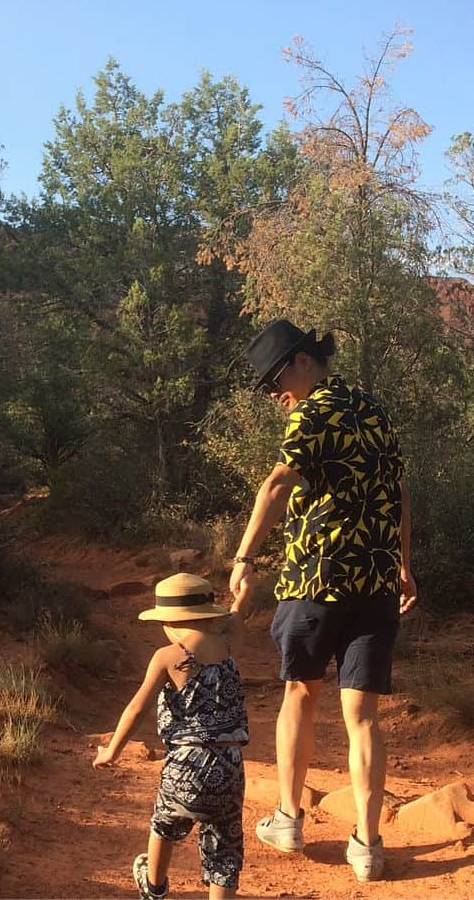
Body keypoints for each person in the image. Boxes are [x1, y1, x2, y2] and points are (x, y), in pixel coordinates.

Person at [231, 319, 416, 883]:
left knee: (299, 694)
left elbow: (276, 484)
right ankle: (367, 844)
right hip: (375, 584)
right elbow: (399, 491)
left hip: (315, 580)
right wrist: (403, 563)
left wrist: (243, 559)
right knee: (362, 717)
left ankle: (288, 818)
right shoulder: (374, 411)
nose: (273, 392)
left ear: (304, 361)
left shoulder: (315, 412)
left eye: (276, 376)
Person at [92, 572, 249, 900]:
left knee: (165, 822)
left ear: (166, 619)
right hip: (230, 762)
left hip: (186, 763)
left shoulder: (169, 656)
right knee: (224, 845)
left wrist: (112, 750)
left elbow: (137, 709)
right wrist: (242, 593)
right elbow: (235, 616)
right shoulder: (227, 642)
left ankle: (154, 886)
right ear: (210, 614)